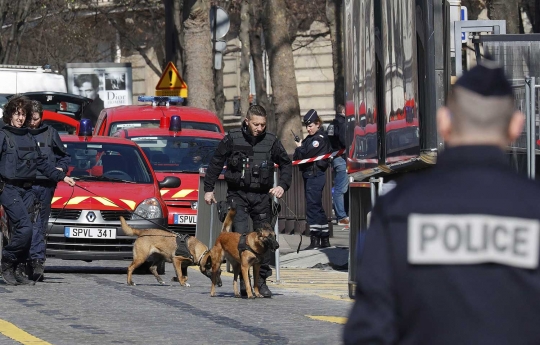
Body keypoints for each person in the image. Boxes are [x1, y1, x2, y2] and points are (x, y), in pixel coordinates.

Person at [343, 61, 540, 344]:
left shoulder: (400, 209)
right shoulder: (534, 210)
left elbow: (369, 331)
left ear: (445, 122)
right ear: (516, 126)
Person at [203, 104, 292, 297]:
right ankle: (245, 283)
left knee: (266, 240)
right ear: (247, 121)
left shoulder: (271, 141)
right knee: (242, 238)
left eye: (262, 124)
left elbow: (286, 163)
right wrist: (208, 189)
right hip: (238, 195)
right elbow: (216, 162)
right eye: (256, 124)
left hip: (261, 196)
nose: (260, 128)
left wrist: (282, 186)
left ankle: (261, 282)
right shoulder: (232, 139)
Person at [0, 95, 76, 286]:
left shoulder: (27, 135)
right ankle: (7, 261)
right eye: (17, 114)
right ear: (10, 115)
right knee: (25, 228)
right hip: (8, 189)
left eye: (23, 114)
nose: (20, 118)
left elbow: (41, 162)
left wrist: (62, 176)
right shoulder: (2, 135)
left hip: (28, 189)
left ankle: (17, 269)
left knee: (27, 231)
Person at [25, 100, 71, 281]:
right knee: (25, 224)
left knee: (39, 225)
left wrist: (61, 169)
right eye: (29, 118)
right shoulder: (21, 133)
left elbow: (64, 157)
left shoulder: (50, 133)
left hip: (45, 185)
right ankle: (22, 260)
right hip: (25, 185)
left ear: (41, 118)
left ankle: (37, 261)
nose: (31, 122)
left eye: (35, 119)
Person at [293, 109, 332, 250]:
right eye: (307, 126)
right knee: (317, 207)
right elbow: (297, 158)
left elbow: (305, 154)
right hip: (310, 175)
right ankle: (324, 237)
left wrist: (299, 147)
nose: (308, 129)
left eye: (310, 126)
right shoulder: (310, 139)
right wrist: (300, 148)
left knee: (313, 207)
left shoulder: (319, 139)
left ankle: (315, 239)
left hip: (315, 175)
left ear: (317, 124)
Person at [327, 104, 349, 227]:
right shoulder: (343, 123)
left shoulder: (332, 124)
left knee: (340, 188)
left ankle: (343, 214)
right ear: (344, 111)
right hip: (342, 158)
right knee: (341, 189)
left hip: (336, 158)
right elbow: (344, 140)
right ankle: (342, 216)